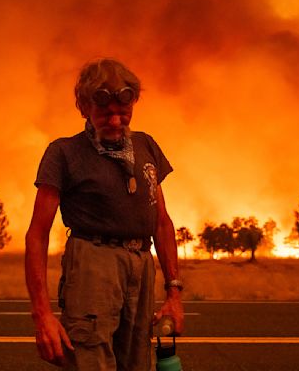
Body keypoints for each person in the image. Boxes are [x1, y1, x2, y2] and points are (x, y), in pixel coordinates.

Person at [25, 58, 184, 371]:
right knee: (90, 361)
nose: (115, 121)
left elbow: (161, 222)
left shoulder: (146, 145)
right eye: (105, 113)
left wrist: (174, 293)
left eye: (122, 112)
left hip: (141, 265)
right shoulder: (64, 153)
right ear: (83, 107)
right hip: (92, 265)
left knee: (139, 362)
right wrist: (42, 314)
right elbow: (37, 233)